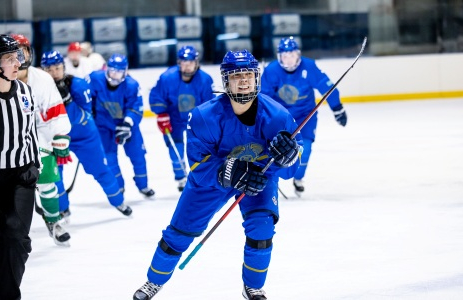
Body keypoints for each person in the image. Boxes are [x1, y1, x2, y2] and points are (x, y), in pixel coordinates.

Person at [133, 49, 303, 300]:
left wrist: (290, 158)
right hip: (211, 183)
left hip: (258, 179)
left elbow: (288, 172)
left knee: (262, 229)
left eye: (248, 74)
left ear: (257, 78)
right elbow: (198, 167)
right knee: (178, 235)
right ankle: (153, 282)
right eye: (237, 76)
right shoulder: (204, 116)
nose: (244, 80)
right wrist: (228, 171)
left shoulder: (278, 116)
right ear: (225, 81)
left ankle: (253, 287)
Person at [0, 34, 40, 300]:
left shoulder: (26, 92)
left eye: (18, 57)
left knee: (16, 240)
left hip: (19, 175)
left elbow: (30, 133)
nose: (18, 63)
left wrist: (34, 165)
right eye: (9, 58)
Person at [40, 50, 132, 217]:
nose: (53, 73)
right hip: (53, 139)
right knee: (54, 176)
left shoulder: (79, 85)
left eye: (57, 68)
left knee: (100, 170)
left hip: (84, 137)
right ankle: (62, 208)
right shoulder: (39, 89)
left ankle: (118, 201)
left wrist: (68, 102)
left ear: (63, 66)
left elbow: (85, 116)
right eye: (49, 70)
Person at [261, 36, 347, 195]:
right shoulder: (271, 71)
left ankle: (298, 177)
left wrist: (337, 107)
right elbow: (264, 98)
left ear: (298, 55)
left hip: (305, 117)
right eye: (285, 56)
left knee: (305, 148)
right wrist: (263, 120)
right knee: (272, 148)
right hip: (281, 118)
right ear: (279, 56)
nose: (289, 60)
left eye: (292, 55)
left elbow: (326, 85)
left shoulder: (309, 66)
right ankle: (271, 177)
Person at [12, 33, 72, 246]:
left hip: (39, 135)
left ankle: (54, 220)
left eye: (22, 52)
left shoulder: (43, 79)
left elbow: (56, 112)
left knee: (47, 180)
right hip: (5, 139)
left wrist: (60, 134)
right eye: (13, 53)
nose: (18, 58)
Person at [88, 53, 155, 198]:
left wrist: (127, 123)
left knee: (138, 156)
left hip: (127, 127)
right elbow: (86, 96)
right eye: (112, 70)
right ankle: (119, 187)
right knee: (109, 158)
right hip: (104, 126)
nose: (114, 74)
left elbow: (136, 107)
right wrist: (89, 111)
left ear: (125, 71)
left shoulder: (132, 85)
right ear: (107, 69)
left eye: (118, 72)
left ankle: (143, 186)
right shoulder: (95, 78)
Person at [149, 45, 214, 192]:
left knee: (199, 148)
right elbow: (157, 96)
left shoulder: (205, 80)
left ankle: (201, 175)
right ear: (179, 63)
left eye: (190, 63)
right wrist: (161, 114)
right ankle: (181, 177)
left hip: (196, 120)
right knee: (175, 148)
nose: (187, 66)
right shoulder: (167, 77)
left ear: (196, 63)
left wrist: (208, 121)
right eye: (184, 63)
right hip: (174, 118)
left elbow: (210, 103)